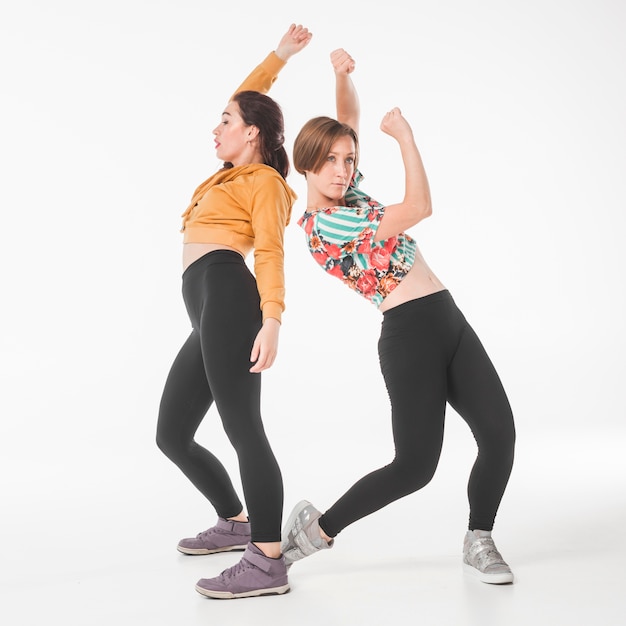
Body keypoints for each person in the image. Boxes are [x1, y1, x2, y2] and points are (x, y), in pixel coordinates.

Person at [281, 49, 516, 585]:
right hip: (409, 335)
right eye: (332, 162)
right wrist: (405, 138)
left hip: (447, 317)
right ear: (306, 167)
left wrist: (340, 76)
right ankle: (317, 531)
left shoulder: (351, 193)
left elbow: (348, 124)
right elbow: (418, 208)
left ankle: (479, 537)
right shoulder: (325, 226)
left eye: (348, 159)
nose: (343, 170)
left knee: (499, 433)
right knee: (415, 466)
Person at [156, 24, 312, 600]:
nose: (215, 127)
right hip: (205, 306)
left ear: (250, 135)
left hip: (228, 297)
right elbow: (250, 99)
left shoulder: (265, 182)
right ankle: (235, 521)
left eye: (226, 121)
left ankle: (267, 559)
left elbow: (270, 252)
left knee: (244, 429)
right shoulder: (234, 170)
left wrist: (272, 319)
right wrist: (280, 57)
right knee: (172, 433)